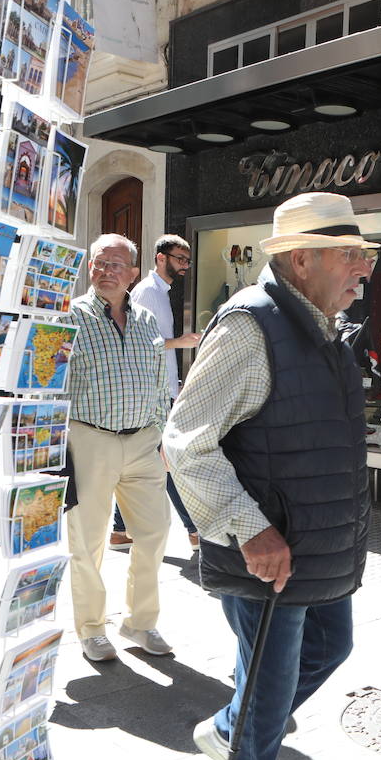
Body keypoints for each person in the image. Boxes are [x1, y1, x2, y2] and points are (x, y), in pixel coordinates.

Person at [164, 192, 375, 760]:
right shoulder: (250, 327)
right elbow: (185, 442)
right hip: (269, 551)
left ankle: (232, 730)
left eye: (364, 255)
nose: (363, 268)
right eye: (349, 255)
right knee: (269, 687)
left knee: (329, 647)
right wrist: (250, 530)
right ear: (301, 259)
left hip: (316, 545)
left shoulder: (323, 328)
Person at [64, 234, 173, 662]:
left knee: (155, 532)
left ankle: (140, 623)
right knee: (88, 541)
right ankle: (92, 629)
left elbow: (158, 381)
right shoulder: (70, 316)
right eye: (99, 262)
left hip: (144, 439)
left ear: (132, 273)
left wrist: (161, 433)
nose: (105, 271)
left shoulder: (146, 319)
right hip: (90, 437)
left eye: (115, 264)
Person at [126, 233, 203, 550]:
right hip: (151, 392)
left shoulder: (160, 292)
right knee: (168, 459)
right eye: (180, 259)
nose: (185, 265)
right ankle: (195, 530)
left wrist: (175, 383)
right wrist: (180, 342)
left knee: (154, 459)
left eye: (187, 260)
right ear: (160, 258)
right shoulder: (147, 292)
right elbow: (137, 343)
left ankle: (119, 528)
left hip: (161, 389)